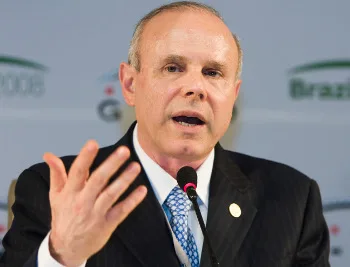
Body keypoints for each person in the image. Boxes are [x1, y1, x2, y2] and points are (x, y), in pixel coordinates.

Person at [0, 1, 330, 267]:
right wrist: (63, 256)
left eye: (213, 73)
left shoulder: (291, 199)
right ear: (129, 84)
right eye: (173, 68)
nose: (195, 88)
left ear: (233, 94)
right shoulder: (59, 190)